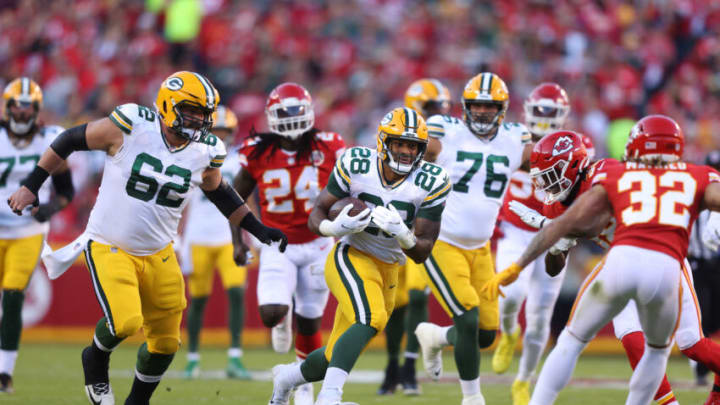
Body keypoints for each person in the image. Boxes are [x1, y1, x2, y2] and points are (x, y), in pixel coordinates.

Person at [7, 71, 287, 405]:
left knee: (167, 343)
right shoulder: (131, 125)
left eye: (204, 113)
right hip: (110, 243)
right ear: (169, 105)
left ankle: (137, 401)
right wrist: (31, 185)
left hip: (160, 252)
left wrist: (258, 229)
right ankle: (95, 356)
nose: (200, 120)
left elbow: (223, 195)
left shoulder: (205, 151)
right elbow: (68, 140)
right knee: (125, 322)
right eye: (193, 110)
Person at [485, 116, 720, 405]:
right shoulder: (556, 200)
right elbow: (555, 262)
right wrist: (557, 245)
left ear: (572, 166)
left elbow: (597, 220)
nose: (545, 183)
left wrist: (555, 232)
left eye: (550, 174)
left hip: (655, 257)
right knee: (634, 339)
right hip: (631, 257)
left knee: (691, 344)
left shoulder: (607, 171)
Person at [268, 107, 450, 405]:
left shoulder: (433, 180)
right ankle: (329, 397)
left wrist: (403, 233)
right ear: (383, 142)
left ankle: (286, 378)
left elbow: (423, 251)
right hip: (351, 253)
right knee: (371, 317)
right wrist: (332, 226)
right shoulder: (356, 162)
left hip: (390, 267)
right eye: (399, 143)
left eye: (412, 146)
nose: (406, 152)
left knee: (333, 355)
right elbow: (317, 212)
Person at [414, 72, 532, 405]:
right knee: (467, 315)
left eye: (489, 106)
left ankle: (435, 337)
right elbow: (414, 156)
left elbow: (546, 165)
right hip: (441, 242)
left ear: (503, 109)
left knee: (484, 334)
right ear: (465, 106)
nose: (481, 112)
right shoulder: (444, 130)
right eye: (476, 105)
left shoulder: (516, 138)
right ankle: (472, 398)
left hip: (481, 249)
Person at [232, 82, 345, 405]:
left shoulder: (328, 146)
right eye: (285, 112)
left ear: (309, 112)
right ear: (271, 116)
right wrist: (238, 240)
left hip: (318, 242)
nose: (292, 118)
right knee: (271, 313)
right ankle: (284, 317)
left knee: (310, 321)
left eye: (298, 111)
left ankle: (304, 383)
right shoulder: (257, 149)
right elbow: (233, 198)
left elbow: (349, 188)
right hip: (276, 241)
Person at [491, 82, 571, 405]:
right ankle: (508, 332)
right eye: (540, 109)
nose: (543, 116)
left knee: (540, 317)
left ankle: (523, 380)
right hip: (516, 229)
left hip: (551, 232)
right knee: (511, 294)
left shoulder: (575, 145)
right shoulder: (510, 138)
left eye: (550, 111)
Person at [376, 78, 451, 396]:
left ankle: (408, 365)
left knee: (418, 296)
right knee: (397, 304)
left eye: (441, 108)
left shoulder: (440, 133)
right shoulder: (400, 135)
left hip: (424, 225)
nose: (438, 114)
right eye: (432, 108)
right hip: (392, 225)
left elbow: (435, 150)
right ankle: (393, 363)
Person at [0, 77, 75, 393]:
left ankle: (4, 372)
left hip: (28, 230)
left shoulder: (50, 139)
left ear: (37, 109)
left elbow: (65, 192)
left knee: (14, 294)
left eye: (28, 106)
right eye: (17, 105)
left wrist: (49, 209)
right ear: (8, 107)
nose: (21, 111)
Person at [180, 105, 250, 380]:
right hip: (198, 236)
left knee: (236, 293)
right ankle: (192, 358)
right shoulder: (193, 156)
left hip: (226, 237)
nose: (220, 136)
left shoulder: (238, 162)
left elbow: (247, 199)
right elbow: (182, 200)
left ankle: (235, 357)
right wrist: (179, 236)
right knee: (197, 300)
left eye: (224, 131)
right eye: (216, 131)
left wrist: (249, 234)